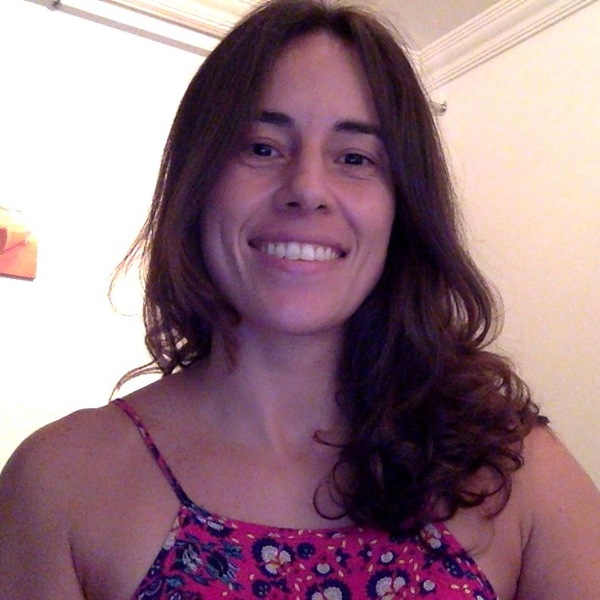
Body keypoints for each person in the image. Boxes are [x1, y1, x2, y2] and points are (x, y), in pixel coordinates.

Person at [2, 0, 600, 597]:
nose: (308, 188)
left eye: (355, 158)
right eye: (262, 147)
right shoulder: (59, 482)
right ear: (197, 182)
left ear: (403, 208)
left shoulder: (520, 475)